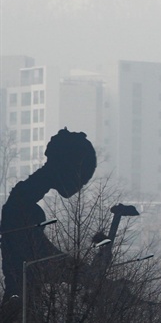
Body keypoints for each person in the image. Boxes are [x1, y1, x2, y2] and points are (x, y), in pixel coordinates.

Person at [0, 128, 97, 304]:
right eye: (76, 174)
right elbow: (45, 259)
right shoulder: (20, 212)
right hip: (21, 298)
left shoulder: (20, 205)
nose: (77, 186)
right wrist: (86, 274)